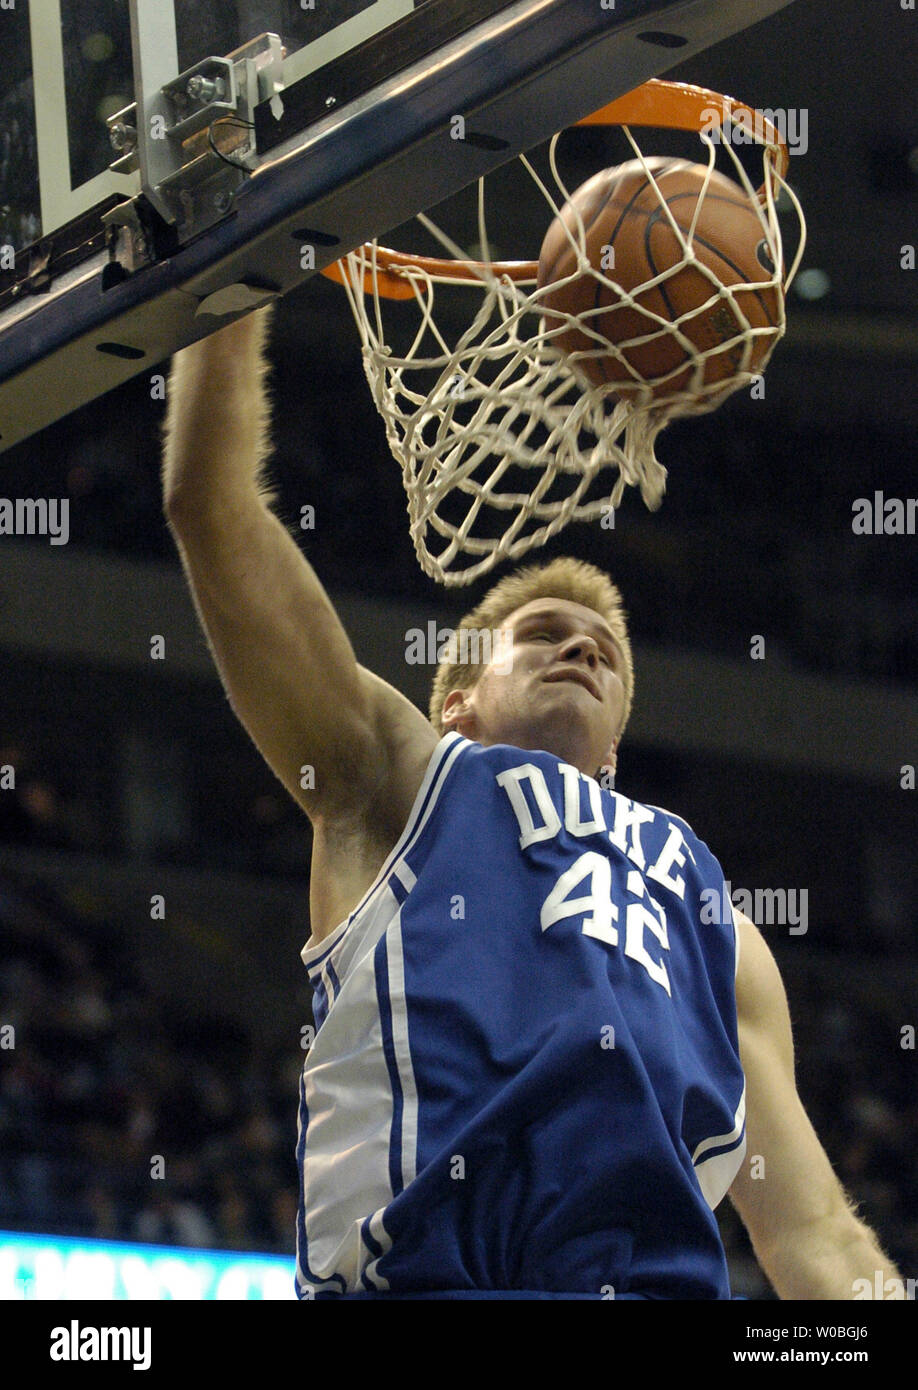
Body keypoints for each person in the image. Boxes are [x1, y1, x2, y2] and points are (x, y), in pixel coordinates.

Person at [162, 304, 902, 1300]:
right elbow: (207, 509)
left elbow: (816, 1233)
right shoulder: (398, 774)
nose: (585, 647)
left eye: (605, 653)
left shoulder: (712, 916)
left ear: (614, 750)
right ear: (457, 699)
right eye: (546, 633)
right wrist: (230, 286)